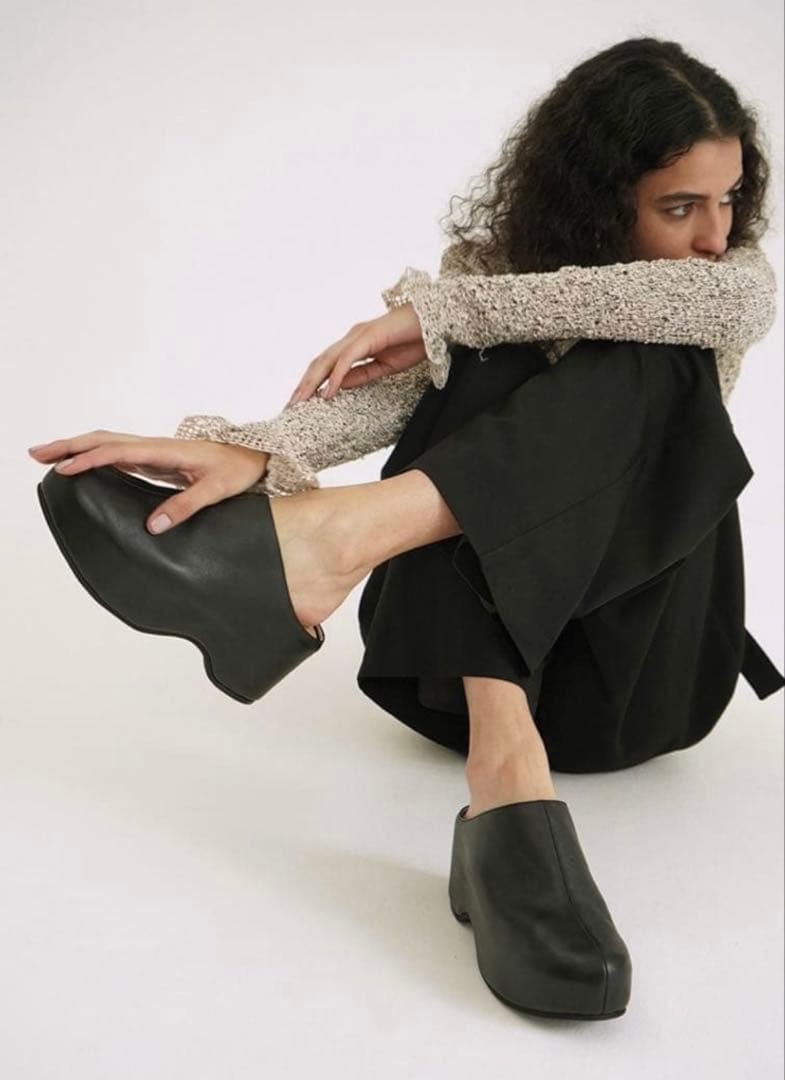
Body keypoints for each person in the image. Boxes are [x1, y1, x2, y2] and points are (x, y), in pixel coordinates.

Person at [27, 36, 783, 1020]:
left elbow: (686, 299)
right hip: (445, 688)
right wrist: (256, 449)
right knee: (479, 371)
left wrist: (444, 313)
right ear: (601, 197)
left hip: (636, 681)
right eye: (678, 206)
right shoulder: (486, 278)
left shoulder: (726, 283)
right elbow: (401, 399)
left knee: (642, 353)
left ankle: (319, 543)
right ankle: (502, 768)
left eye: (729, 199)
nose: (713, 233)